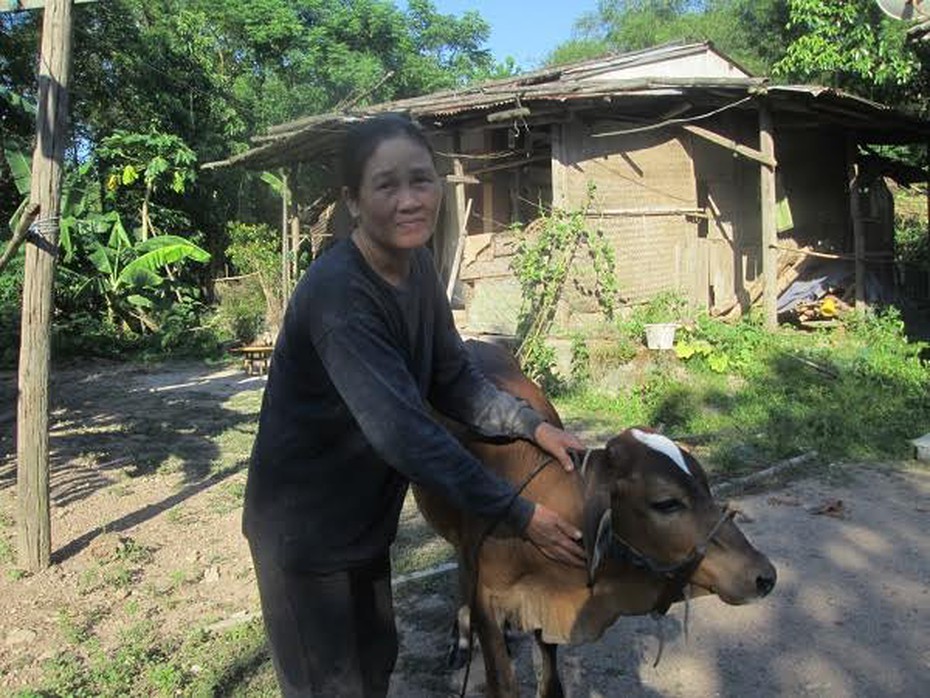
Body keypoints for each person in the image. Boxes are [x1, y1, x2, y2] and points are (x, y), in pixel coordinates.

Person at [242, 113, 586, 698]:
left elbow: (455, 380)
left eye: (421, 180)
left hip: (364, 525)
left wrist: (533, 426)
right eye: (386, 185)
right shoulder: (340, 298)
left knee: (375, 665)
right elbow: (406, 435)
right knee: (332, 687)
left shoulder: (418, 268)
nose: (409, 200)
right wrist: (521, 514)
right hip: (305, 533)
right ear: (353, 201)